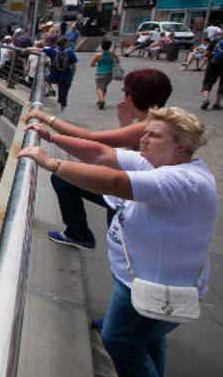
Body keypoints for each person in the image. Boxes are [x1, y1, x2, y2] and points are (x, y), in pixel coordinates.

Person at [19, 107, 215, 377]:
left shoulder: (182, 180)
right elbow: (101, 154)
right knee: (147, 339)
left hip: (155, 284)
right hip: (144, 282)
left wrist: (52, 163)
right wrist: (51, 137)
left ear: (181, 146)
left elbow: (114, 182)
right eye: (145, 132)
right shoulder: (157, 162)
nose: (143, 139)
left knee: (120, 341)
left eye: (154, 135)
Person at [27, 68, 173, 249]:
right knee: (64, 180)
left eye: (124, 92)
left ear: (131, 97)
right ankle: (78, 232)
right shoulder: (157, 123)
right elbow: (118, 152)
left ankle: (78, 233)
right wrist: (125, 122)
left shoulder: (148, 126)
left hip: (129, 195)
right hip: (132, 192)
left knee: (121, 243)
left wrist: (47, 119)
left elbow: (92, 141)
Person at [47, 36, 78, 110]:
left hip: (55, 75)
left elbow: (41, 49)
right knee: (63, 94)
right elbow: (74, 66)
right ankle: (61, 109)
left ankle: (50, 89)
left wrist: (28, 49)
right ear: (65, 43)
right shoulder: (70, 53)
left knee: (45, 78)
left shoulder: (53, 51)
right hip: (66, 76)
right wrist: (72, 76)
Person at [91, 39, 120, 110]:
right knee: (104, 86)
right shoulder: (112, 54)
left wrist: (96, 64)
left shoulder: (98, 55)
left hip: (100, 73)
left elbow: (92, 64)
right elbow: (118, 61)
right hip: (110, 73)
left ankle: (102, 100)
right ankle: (101, 99)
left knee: (99, 88)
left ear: (101, 46)